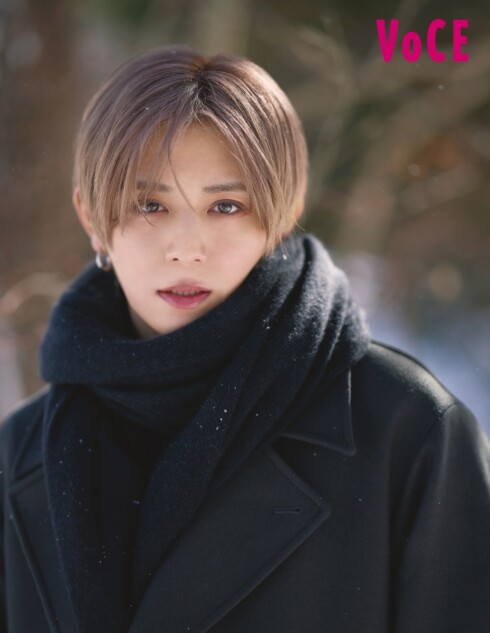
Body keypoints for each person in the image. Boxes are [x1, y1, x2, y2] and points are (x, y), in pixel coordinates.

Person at [0, 45, 489, 633]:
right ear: (91, 217)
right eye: (150, 204)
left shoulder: (408, 431)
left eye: (226, 206)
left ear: (284, 213)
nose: (187, 248)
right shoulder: (18, 456)